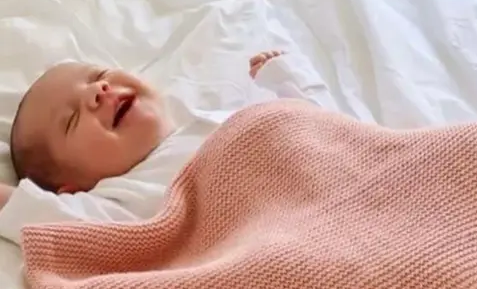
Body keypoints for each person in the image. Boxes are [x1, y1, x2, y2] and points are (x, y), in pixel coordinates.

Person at [0, 50, 336, 245]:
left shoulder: (218, 120)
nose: (98, 90)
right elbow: (38, 215)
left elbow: (322, 133)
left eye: (98, 75)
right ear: (72, 192)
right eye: (71, 120)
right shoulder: (120, 198)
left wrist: (289, 81)